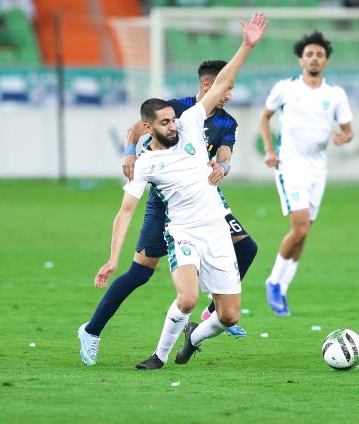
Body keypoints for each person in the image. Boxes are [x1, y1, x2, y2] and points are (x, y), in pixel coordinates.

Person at [81, 11, 268, 370]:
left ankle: (211, 319)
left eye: (229, 89)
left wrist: (246, 45)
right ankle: (95, 331)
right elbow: (125, 206)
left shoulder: (204, 122)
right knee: (144, 275)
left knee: (247, 251)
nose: (174, 125)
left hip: (209, 202)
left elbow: (226, 148)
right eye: (166, 122)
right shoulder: (169, 128)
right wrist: (128, 155)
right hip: (169, 210)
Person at [259, 31, 353, 316]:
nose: (314, 58)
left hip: (317, 168)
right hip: (290, 164)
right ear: (301, 59)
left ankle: (283, 289)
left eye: (319, 55)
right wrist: (269, 151)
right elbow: (265, 117)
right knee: (299, 227)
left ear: (326, 61)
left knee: (304, 233)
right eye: (309, 54)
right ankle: (274, 282)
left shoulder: (335, 94)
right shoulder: (286, 88)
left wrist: (343, 137)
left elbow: (348, 130)